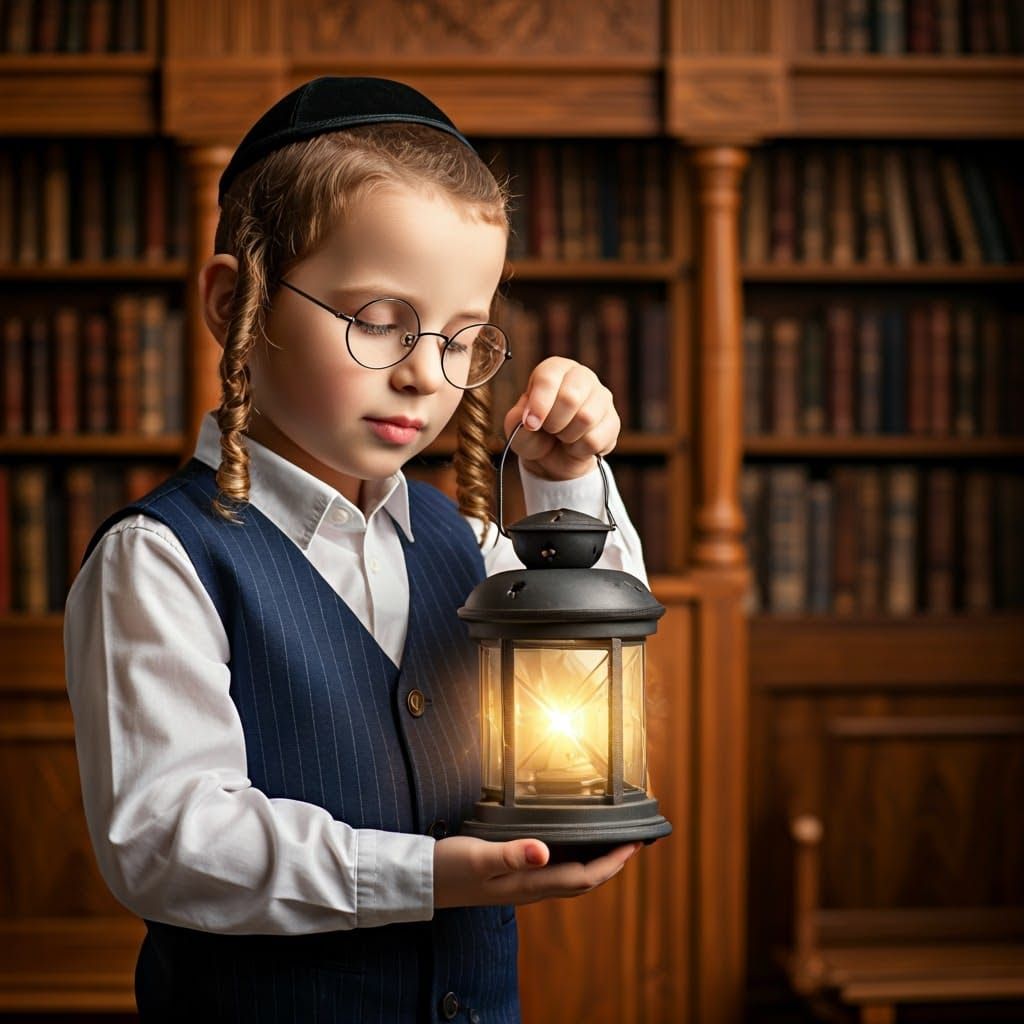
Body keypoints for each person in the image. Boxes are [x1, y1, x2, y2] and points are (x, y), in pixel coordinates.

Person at [64, 76, 650, 1023]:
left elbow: (603, 662)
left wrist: (567, 478)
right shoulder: (162, 558)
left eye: (464, 339)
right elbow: (170, 842)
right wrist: (428, 876)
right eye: (379, 320)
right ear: (234, 304)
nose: (427, 374)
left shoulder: (465, 540)